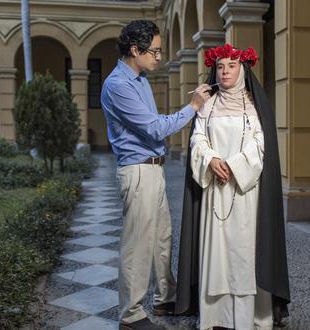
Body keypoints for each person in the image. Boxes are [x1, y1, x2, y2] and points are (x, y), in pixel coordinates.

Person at [100, 20, 211, 330]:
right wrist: (193, 107)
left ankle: (165, 298)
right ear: (135, 50)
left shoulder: (140, 79)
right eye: (156, 51)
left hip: (154, 169)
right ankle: (131, 315)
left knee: (162, 238)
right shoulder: (118, 85)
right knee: (138, 244)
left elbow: (155, 123)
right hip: (137, 172)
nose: (160, 56)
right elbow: (154, 128)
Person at [176, 44, 290, 330]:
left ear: (243, 69)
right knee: (217, 255)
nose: (225, 71)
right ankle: (216, 316)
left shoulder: (254, 106)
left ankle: (248, 316)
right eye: (221, 66)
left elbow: (261, 146)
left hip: (245, 194)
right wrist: (212, 159)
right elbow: (197, 139)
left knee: (243, 254)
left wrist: (235, 166)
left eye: (232, 65)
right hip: (214, 190)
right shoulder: (208, 105)